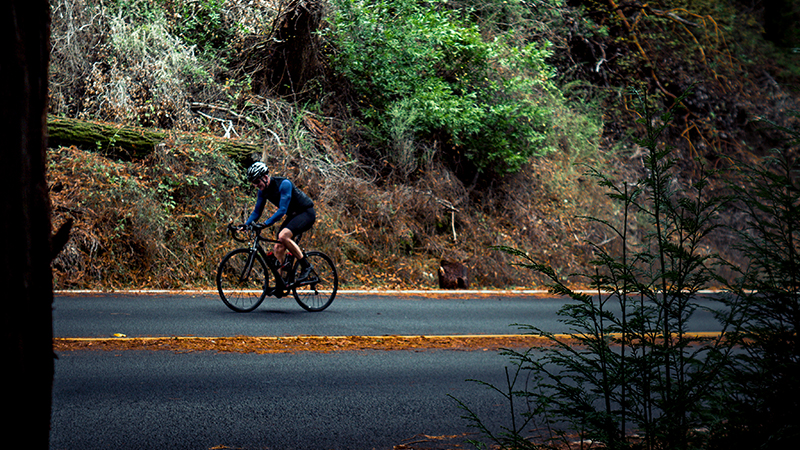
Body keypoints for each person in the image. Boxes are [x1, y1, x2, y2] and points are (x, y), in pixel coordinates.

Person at [240, 161, 315, 281]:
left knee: (283, 236)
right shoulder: (262, 191)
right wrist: (246, 225)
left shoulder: (284, 184)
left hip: (306, 213)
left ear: (265, 177)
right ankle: (280, 283)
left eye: (257, 182)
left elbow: (282, 210)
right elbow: (257, 212)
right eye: (253, 183)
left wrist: (265, 224)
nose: (255, 185)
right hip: (293, 215)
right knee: (278, 248)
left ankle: (306, 266)